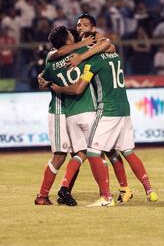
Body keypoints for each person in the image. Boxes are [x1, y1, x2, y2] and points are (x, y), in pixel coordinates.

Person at [51, 34, 158, 207]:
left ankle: (106, 197)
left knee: (93, 152)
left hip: (108, 110)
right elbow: (110, 44)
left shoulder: (93, 63)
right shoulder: (116, 56)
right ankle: (149, 190)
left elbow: (78, 88)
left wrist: (58, 88)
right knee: (127, 151)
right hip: (125, 109)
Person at [34, 27, 110, 205]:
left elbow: (43, 79)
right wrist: (88, 43)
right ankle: (46, 194)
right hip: (65, 110)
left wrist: (43, 79)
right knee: (71, 155)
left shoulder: (50, 61)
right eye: (71, 36)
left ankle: (65, 190)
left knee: (81, 152)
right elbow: (108, 46)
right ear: (68, 41)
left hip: (69, 113)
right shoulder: (82, 52)